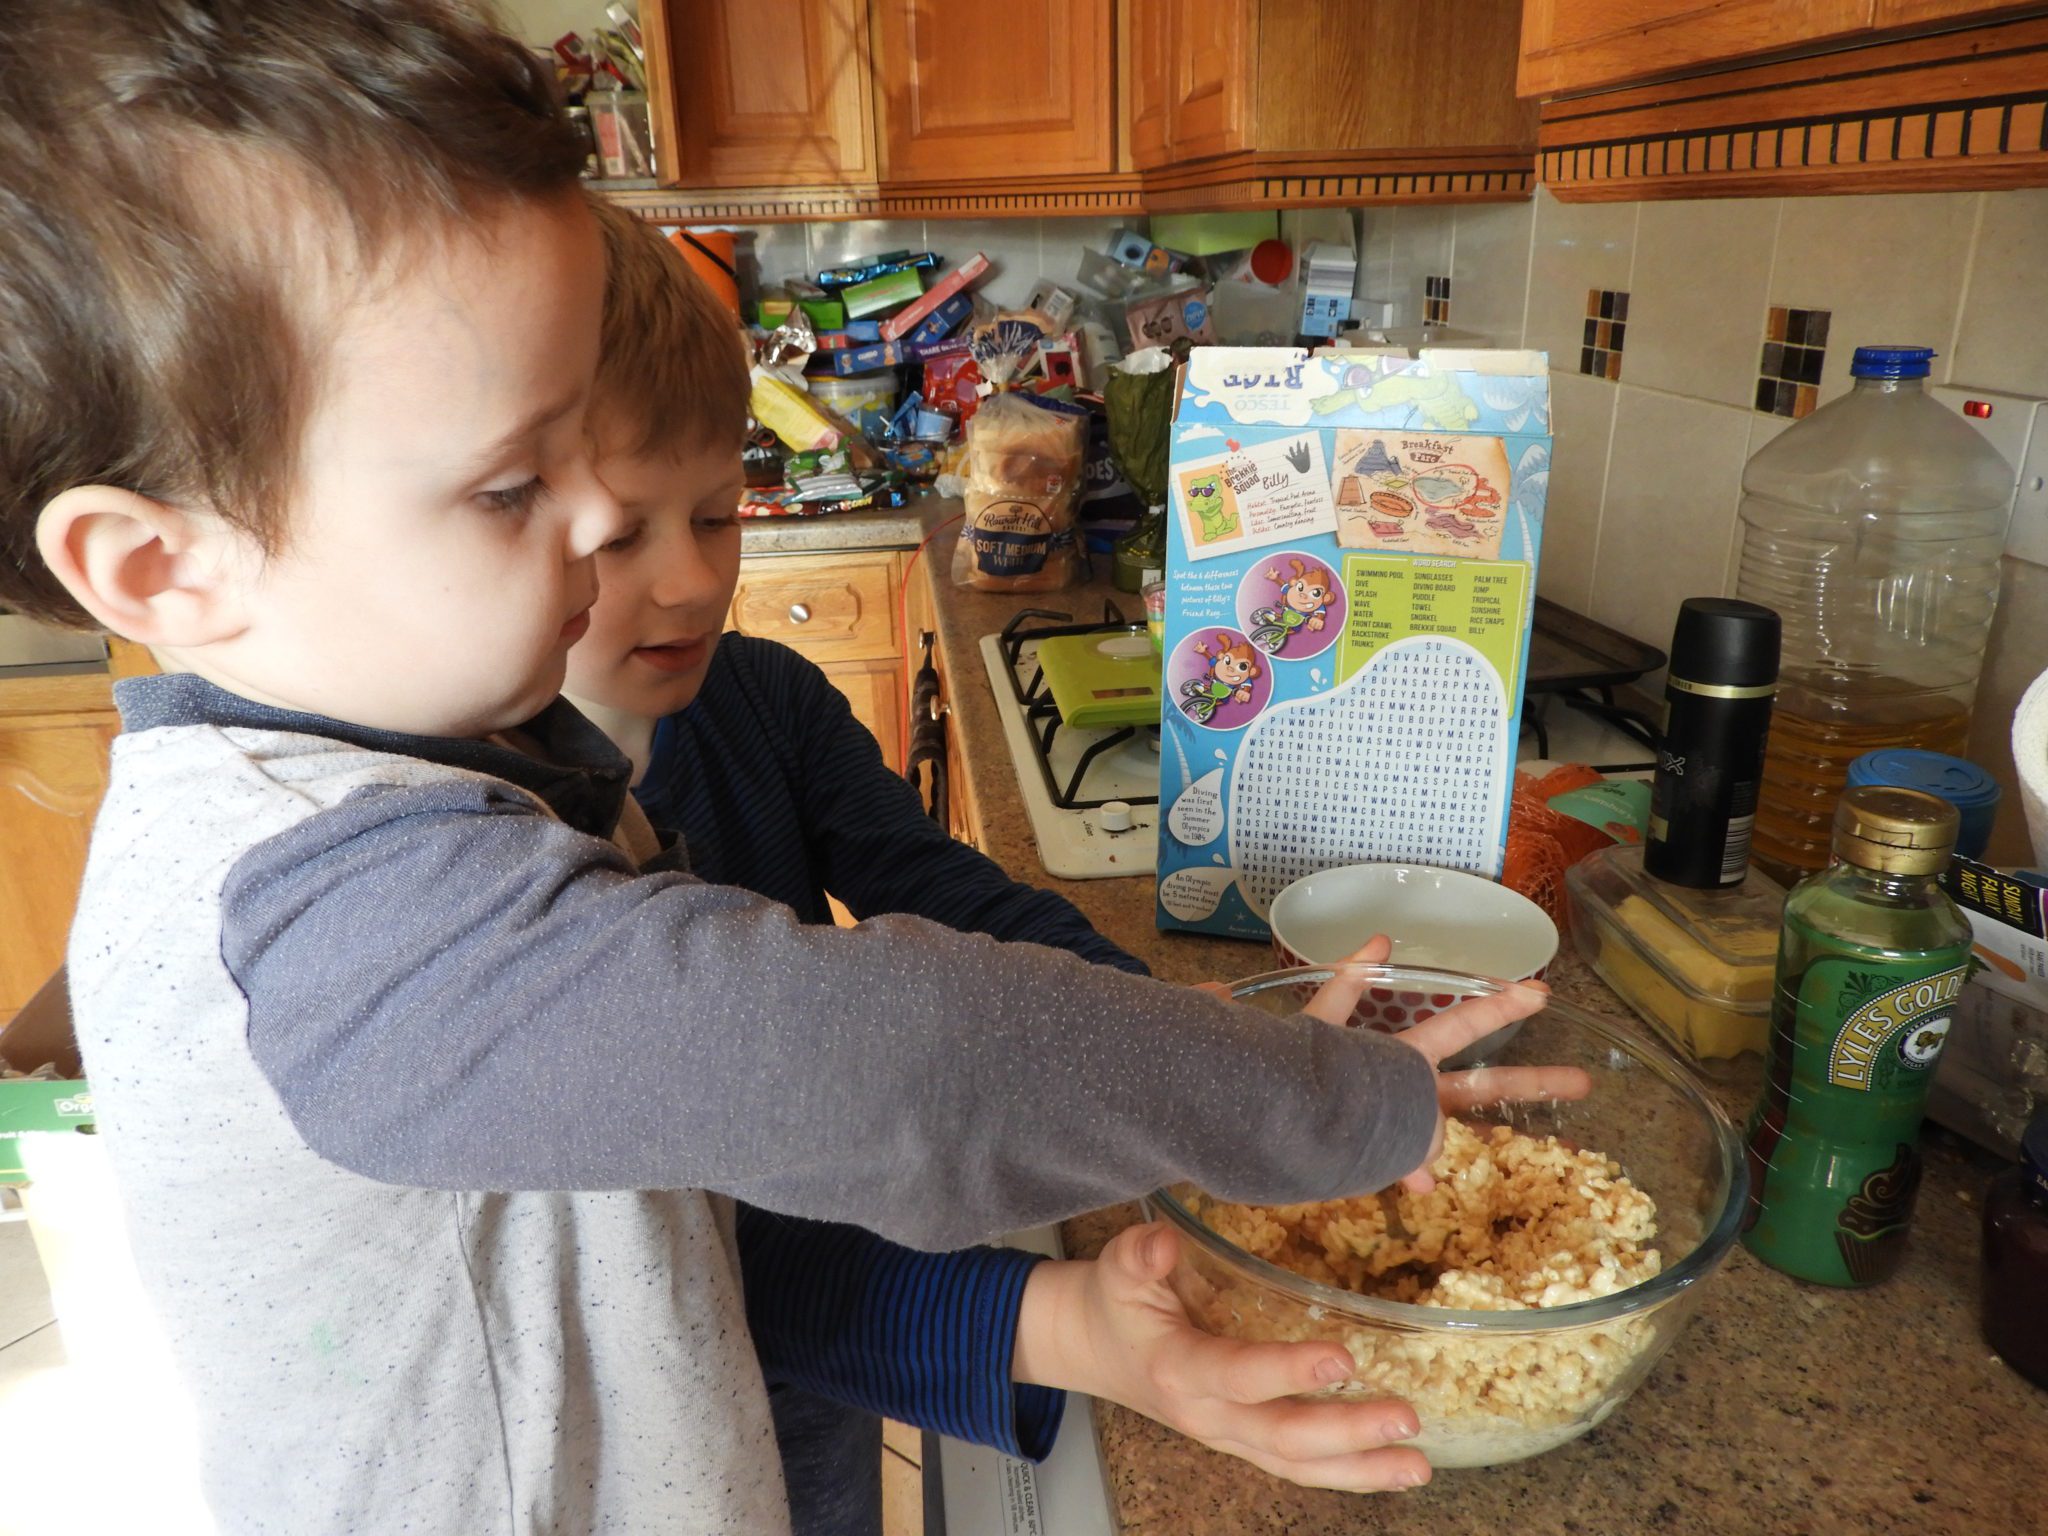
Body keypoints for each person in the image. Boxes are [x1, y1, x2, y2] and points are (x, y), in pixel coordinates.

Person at [0, 4, 1561, 1531]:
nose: (610, 533)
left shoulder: (457, 787)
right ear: (159, 569)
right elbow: (902, 1060)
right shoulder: (338, 910)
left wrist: (1071, 1327)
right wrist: (1315, 1103)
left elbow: (673, 1238)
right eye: (507, 488)